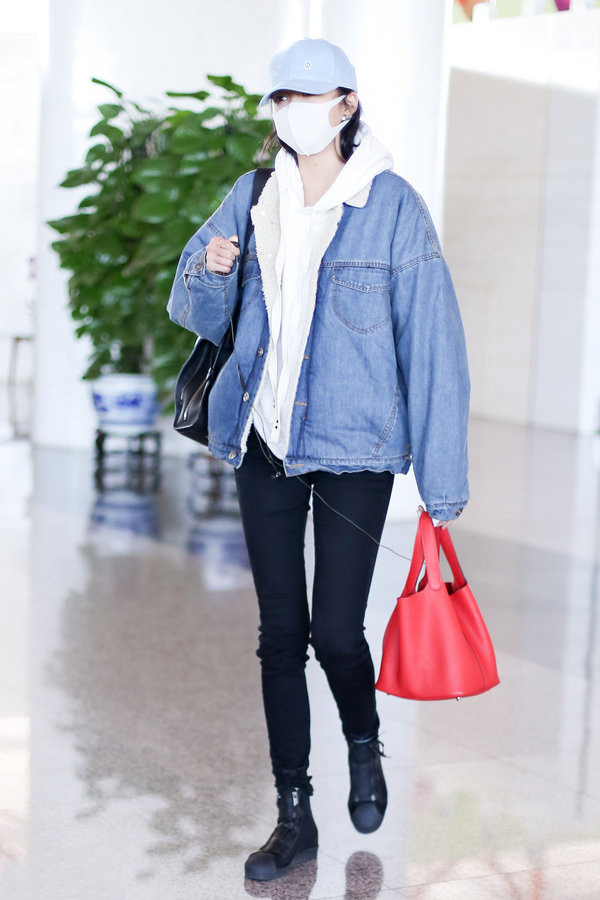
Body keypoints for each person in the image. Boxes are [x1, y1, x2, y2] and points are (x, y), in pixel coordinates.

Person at [167, 37, 470, 882]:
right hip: (263, 439)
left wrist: (442, 483)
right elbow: (193, 306)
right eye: (282, 98)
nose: (293, 110)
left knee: (336, 630)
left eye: (309, 96)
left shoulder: (392, 205)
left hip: (354, 449)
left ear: (345, 104)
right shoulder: (251, 196)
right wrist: (210, 267)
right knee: (280, 635)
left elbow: (433, 345)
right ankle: (293, 814)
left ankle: (363, 744)